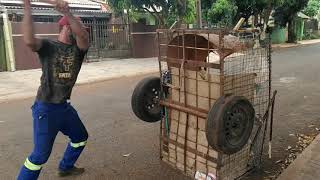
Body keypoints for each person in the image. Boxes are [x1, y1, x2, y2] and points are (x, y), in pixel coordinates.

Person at [17, 0, 90, 179]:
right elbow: (29, 41)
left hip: (65, 107)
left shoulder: (78, 50)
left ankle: (65, 167)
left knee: (80, 137)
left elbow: (83, 38)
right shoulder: (49, 47)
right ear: (66, 28)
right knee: (39, 156)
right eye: (76, 26)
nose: (82, 30)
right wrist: (27, 6)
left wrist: (68, 12)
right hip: (46, 108)